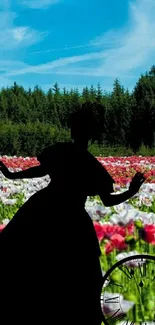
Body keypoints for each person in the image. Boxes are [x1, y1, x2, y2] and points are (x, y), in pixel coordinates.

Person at [0, 102, 146, 324]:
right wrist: (12, 176)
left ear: (89, 132)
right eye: (76, 126)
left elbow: (106, 200)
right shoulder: (78, 159)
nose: (76, 131)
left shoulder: (83, 161)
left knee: (55, 265)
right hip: (60, 215)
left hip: (48, 212)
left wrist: (131, 191)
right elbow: (43, 171)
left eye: (81, 126)